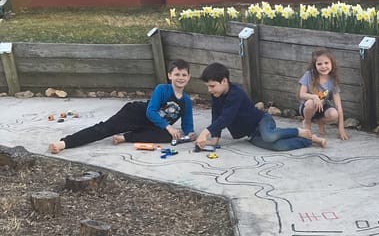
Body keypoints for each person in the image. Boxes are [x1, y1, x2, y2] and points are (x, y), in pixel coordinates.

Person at [48, 59, 197, 153]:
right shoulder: (162, 89)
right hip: (136, 114)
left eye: (184, 75)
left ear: (189, 77)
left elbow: (188, 124)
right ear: (170, 75)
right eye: (177, 74)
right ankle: (65, 143)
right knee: (104, 129)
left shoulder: (186, 101)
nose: (180, 78)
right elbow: (151, 112)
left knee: (168, 136)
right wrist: (168, 126)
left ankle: (126, 137)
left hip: (154, 127)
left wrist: (190, 133)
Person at [195, 62, 325, 152]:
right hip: (251, 134)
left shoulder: (236, 93)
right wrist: (214, 140)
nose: (209, 90)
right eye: (207, 86)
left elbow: (226, 118)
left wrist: (205, 132)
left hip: (262, 120)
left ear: (224, 81)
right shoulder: (216, 95)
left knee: (269, 136)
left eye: (212, 86)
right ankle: (309, 140)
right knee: (278, 146)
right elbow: (216, 115)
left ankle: (298, 131)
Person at [298, 48, 348, 140]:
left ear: (332, 64)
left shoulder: (332, 81)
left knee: (334, 114)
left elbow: (338, 106)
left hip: (323, 107)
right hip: (307, 108)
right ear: (315, 66)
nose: (323, 66)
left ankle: (319, 121)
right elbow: (301, 94)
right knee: (310, 103)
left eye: (326, 63)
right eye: (319, 64)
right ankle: (307, 122)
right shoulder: (309, 75)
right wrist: (314, 97)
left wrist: (341, 129)